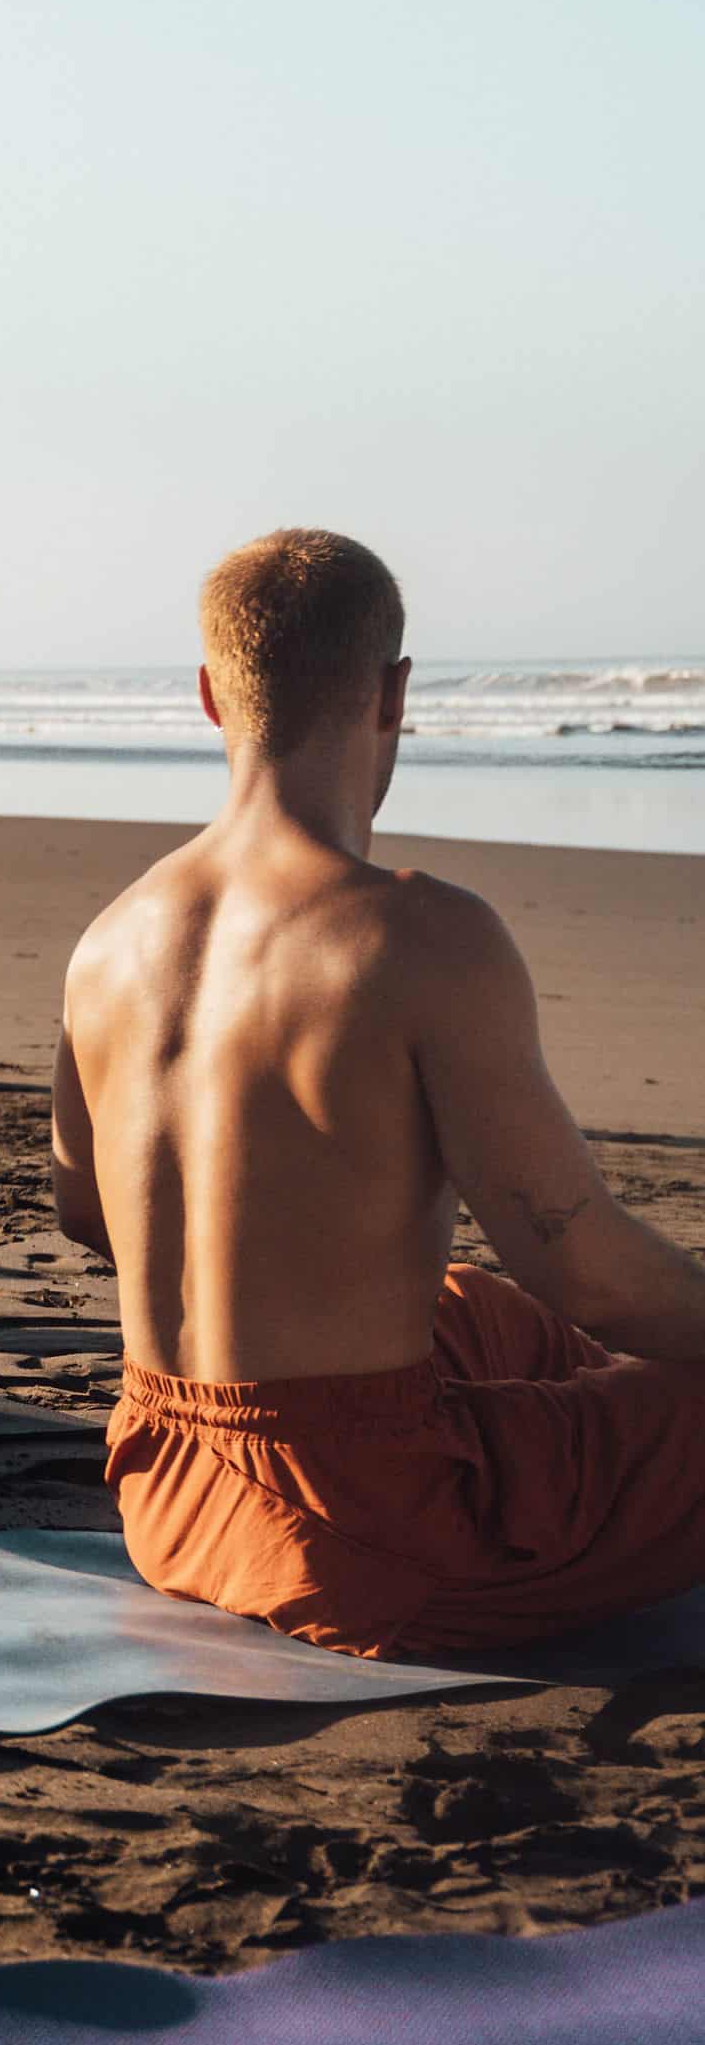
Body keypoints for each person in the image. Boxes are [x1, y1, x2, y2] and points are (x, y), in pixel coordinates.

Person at [55, 528, 705, 1664]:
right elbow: (578, 1263)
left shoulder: (110, 938)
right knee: (602, 1330)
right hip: (369, 1533)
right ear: (393, 692)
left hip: (164, 1487)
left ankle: (602, 1422)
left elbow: (86, 1216)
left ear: (210, 696)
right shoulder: (414, 933)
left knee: (471, 1305)